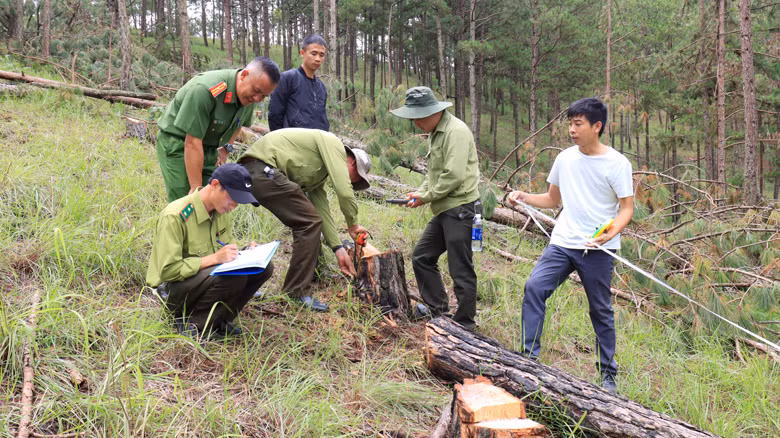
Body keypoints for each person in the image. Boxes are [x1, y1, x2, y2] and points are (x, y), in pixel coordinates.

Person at [508, 97, 634, 393]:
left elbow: (626, 208)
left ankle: (608, 375)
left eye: (578, 124)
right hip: (562, 243)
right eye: (570, 124)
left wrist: (611, 232)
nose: (572, 130)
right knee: (534, 288)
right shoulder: (565, 158)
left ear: (597, 126)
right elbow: (553, 200)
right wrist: (524, 196)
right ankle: (529, 360)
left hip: (598, 249)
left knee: (600, 309)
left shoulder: (617, 163)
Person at [238, 128, 371, 311]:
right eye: (356, 177)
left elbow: (322, 212)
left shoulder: (318, 174)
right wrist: (353, 224)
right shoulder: (334, 145)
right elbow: (344, 191)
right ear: (351, 161)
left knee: (309, 220)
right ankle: (296, 292)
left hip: (261, 171)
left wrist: (338, 249)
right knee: (308, 223)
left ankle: (241, 286)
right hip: (262, 168)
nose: (353, 182)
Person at [389, 87, 481, 331]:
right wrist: (419, 193)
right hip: (444, 209)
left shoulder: (456, 132)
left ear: (432, 111)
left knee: (460, 267)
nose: (416, 123)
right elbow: (434, 174)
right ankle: (439, 312)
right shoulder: (436, 133)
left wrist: (426, 197)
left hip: (461, 209)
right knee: (422, 256)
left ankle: (465, 325)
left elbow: (453, 176)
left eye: (418, 117)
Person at [146, 163, 274, 339]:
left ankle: (219, 319)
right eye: (232, 198)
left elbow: (226, 248)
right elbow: (169, 271)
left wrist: (248, 253)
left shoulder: (220, 212)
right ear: (215, 185)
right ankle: (192, 323)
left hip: (202, 280)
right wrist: (215, 258)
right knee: (232, 279)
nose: (233, 206)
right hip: (171, 290)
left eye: (238, 202)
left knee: (264, 268)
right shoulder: (175, 216)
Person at [156, 57, 281, 202]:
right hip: (178, 143)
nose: (257, 98)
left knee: (213, 200)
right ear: (244, 75)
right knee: (186, 202)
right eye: (257, 91)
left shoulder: (250, 96)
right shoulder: (205, 90)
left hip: (209, 147)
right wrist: (196, 189)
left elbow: (238, 124)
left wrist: (226, 148)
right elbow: (192, 142)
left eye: (264, 96)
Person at [268, 35, 329, 132]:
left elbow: (322, 117)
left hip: (316, 142)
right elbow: (275, 113)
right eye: (313, 54)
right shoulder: (288, 78)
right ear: (302, 53)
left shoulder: (321, 87)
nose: (318, 59)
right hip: (292, 140)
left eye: (321, 55)